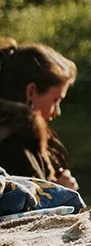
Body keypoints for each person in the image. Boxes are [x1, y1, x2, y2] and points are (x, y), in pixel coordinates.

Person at [0, 38, 78, 189]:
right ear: (31, 92)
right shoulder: (16, 151)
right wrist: (60, 193)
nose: (57, 111)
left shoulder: (21, 141)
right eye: (56, 100)